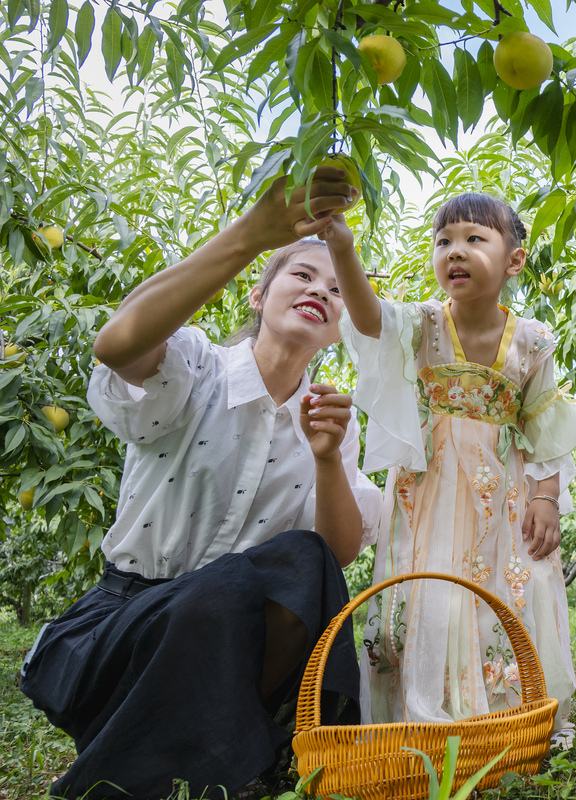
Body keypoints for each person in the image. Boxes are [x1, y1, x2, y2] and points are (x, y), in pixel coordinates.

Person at [19, 168, 384, 799]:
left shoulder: (333, 421)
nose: (321, 289)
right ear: (256, 295)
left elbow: (336, 556)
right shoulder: (194, 369)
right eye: (301, 273)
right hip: (125, 630)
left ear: (342, 324)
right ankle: (227, 762)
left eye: (337, 287)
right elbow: (117, 343)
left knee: (302, 559)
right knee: (213, 598)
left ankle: (204, 763)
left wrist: (327, 459)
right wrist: (249, 236)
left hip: (228, 655)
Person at [323, 192, 576, 736]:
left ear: (514, 260)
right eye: (443, 241)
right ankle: (421, 713)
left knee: (504, 586)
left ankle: (501, 716)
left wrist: (546, 497)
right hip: (428, 485)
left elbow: (545, 427)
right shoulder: (423, 325)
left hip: (501, 487)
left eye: (474, 239)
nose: (455, 252)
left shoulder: (533, 341)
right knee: (427, 589)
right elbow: (369, 317)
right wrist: (343, 248)